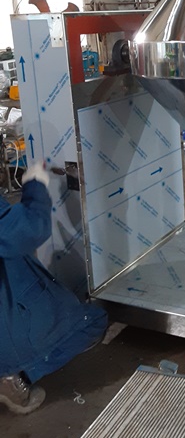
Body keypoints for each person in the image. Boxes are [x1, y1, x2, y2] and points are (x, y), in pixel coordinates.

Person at [0, 162, 107, 414]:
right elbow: (30, 229)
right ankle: (13, 378)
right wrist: (35, 185)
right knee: (93, 320)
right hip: (10, 317)